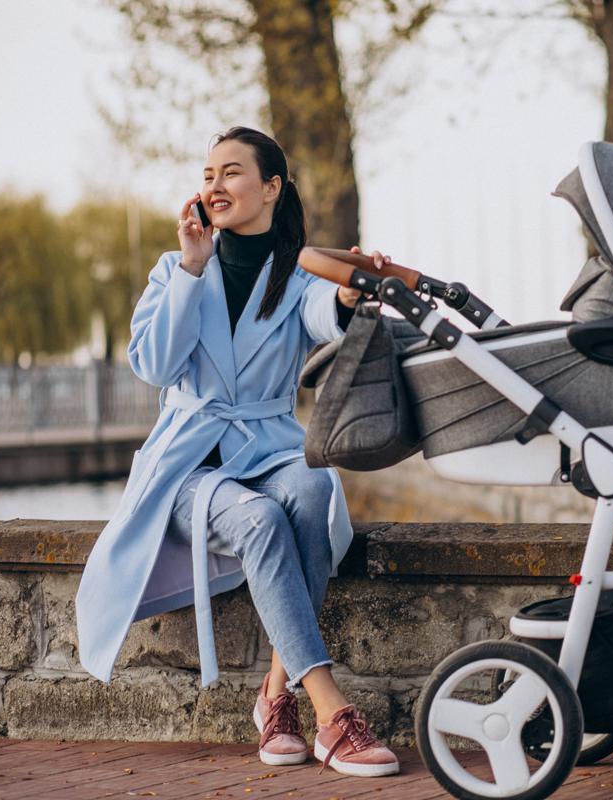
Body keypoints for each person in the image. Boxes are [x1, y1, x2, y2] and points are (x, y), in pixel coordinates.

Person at [75, 126, 398, 776]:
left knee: (312, 491)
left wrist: (348, 292)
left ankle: (274, 697)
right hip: (189, 466)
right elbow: (158, 367)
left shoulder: (300, 273)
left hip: (271, 446)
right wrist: (193, 268)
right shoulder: (175, 269)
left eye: (231, 172)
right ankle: (332, 711)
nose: (214, 185)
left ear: (272, 186)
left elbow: (325, 317)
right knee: (260, 519)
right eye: (208, 174)